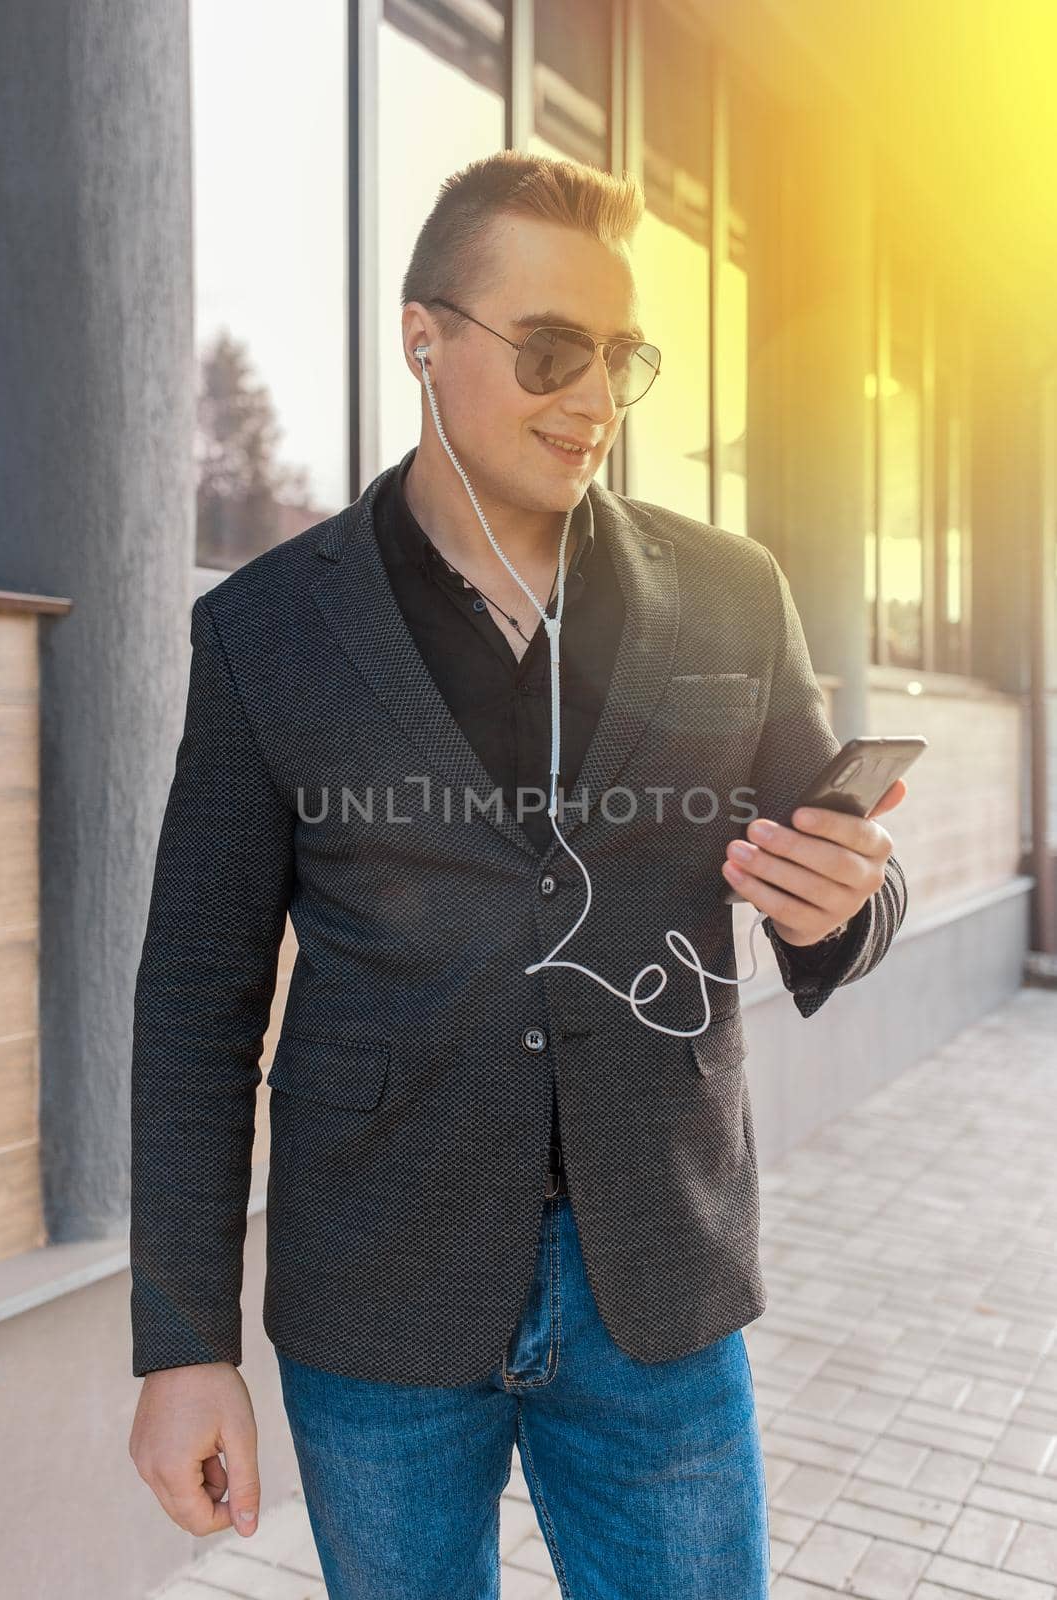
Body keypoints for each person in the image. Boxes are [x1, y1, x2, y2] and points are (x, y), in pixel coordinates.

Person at [128, 150, 908, 1599]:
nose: (595, 396)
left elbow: (849, 880)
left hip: (658, 1288)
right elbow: (193, 997)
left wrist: (846, 906)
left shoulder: (734, 589)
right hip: (380, 1295)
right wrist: (184, 1344)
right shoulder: (265, 634)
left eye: (623, 356)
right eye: (550, 348)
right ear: (423, 336)